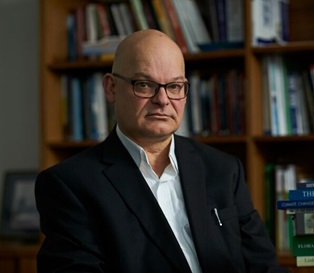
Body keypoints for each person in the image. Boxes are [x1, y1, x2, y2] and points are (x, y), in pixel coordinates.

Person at [35, 29, 289, 273]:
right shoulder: (70, 185)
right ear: (111, 88)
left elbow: (264, 267)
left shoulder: (223, 170)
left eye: (175, 86)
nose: (163, 99)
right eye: (145, 84)